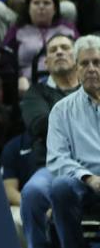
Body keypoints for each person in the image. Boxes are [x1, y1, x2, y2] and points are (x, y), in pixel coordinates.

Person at [18, 34, 78, 248]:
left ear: (76, 55)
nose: (59, 52)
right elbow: (40, 124)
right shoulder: (36, 92)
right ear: (47, 62)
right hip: (51, 166)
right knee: (32, 192)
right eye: (53, 50)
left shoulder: (92, 87)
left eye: (64, 47)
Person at [46, 35, 100, 248]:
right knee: (61, 187)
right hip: (83, 183)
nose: (91, 68)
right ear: (76, 69)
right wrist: (89, 178)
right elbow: (57, 159)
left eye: (97, 62)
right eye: (84, 63)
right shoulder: (61, 110)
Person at [1, 0, 78, 94]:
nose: (41, 7)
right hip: (28, 88)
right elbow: (5, 60)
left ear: (55, 8)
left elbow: (81, 55)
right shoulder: (17, 30)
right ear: (28, 8)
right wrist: (18, 78)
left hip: (66, 86)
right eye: (36, 3)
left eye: (46, 3)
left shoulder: (68, 29)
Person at [0, 131, 34, 248]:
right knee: (13, 218)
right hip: (25, 203)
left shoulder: (63, 138)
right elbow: (8, 189)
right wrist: (32, 205)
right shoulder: (15, 146)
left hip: (59, 201)